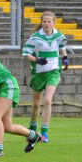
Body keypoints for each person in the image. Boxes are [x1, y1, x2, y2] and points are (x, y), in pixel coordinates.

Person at [22, 11, 68, 143]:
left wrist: (65, 58)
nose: (47, 24)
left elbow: (62, 47)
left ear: (54, 23)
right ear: (41, 23)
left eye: (49, 21)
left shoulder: (59, 35)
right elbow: (26, 53)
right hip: (39, 73)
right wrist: (36, 60)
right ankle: (32, 131)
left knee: (48, 101)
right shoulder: (35, 37)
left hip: (53, 72)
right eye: (44, 21)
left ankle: (45, 133)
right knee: (36, 105)